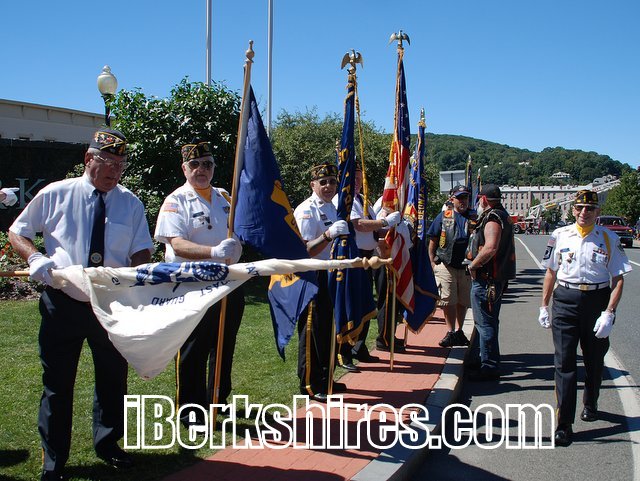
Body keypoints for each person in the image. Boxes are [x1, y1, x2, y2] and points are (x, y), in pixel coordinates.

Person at [8, 129, 154, 480]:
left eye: (121, 165)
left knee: (113, 378)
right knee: (57, 382)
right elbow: (17, 230)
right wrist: (34, 258)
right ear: (89, 159)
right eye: (109, 162)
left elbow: (141, 249)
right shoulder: (56, 193)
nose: (115, 171)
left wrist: (134, 276)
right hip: (63, 302)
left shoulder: (130, 203)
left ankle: (108, 444)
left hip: (111, 304)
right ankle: (54, 458)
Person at [154, 140, 244, 428]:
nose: (201, 169)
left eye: (207, 164)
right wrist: (213, 252)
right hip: (193, 285)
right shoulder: (176, 200)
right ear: (184, 168)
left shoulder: (224, 197)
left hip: (228, 282)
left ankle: (217, 399)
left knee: (224, 345)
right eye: (195, 164)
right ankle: (190, 410)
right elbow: (177, 244)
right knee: (194, 348)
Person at [539, 190, 631, 446]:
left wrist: (609, 312)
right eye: (579, 208)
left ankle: (591, 402)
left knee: (594, 359)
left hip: (596, 301)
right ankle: (564, 423)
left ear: (597, 212)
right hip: (565, 300)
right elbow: (551, 272)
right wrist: (544, 305)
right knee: (564, 363)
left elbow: (618, 279)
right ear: (573, 210)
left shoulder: (609, 238)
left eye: (589, 208)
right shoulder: (560, 235)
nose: (583, 212)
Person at [333, 165, 400, 370]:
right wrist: (383, 222)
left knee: (365, 305)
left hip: (367, 258)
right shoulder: (344, 200)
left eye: (359, 178)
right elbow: (359, 224)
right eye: (353, 178)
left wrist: (395, 228)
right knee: (351, 304)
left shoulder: (363, 200)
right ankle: (343, 352)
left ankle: (359, 347)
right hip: (352, 257)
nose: (357, 182)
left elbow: (373, 229)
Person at [293, 162, 349, 402]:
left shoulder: (332, 208)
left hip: (331, 273)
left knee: (327, 329)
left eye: (332, 182)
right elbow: (305, 250)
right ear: (313, 184)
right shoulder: (307, 210)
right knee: (311, 331)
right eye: (323, 182)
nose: (328, 186)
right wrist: (328, 235)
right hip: (312, 275)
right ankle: (309, 383)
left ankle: (326, 379)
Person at [465, 184, 516, 381]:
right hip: (496, 278)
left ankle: (489, 366)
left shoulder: (493, 217)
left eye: (479, 199)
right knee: (489, 321)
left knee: (485, 323)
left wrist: (473, 265)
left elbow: (490, 247)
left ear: (484, 199)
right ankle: (485, 360)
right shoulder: (502, 215)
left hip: (487, 279)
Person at [427, 185, 476, 347]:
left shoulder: (474, 217)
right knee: (448, 300)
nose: (463, 201)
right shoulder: (443, 216)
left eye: (465, 197)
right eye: (459, 198)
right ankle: (451, 331)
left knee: (463, 300)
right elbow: (433, 239)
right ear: (452, 199)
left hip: (466, 265)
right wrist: (432, 262)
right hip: (445, 263)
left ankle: (460, 332)